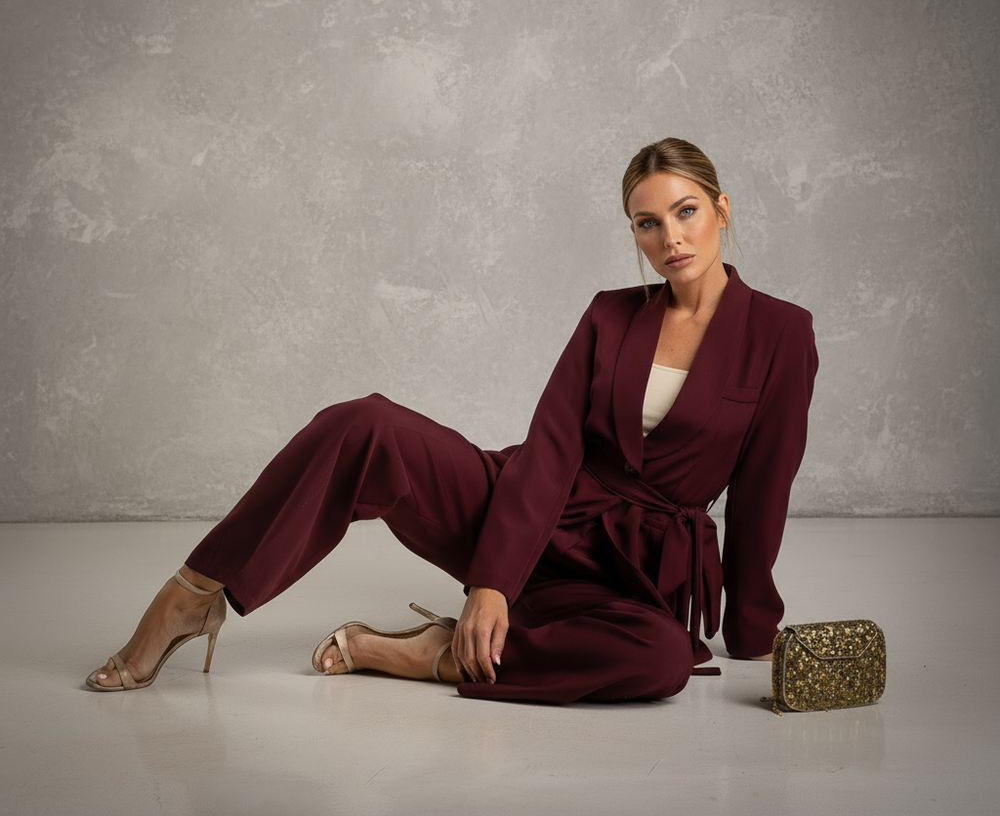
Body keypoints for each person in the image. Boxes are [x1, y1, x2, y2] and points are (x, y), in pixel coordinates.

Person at [86, 137, 818, 703]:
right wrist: (493, 581)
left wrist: (752, 630)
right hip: (524, 516)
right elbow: (552, 449)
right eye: (647, 223)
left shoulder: (781, 335)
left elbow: (763, 491)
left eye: (686, 212)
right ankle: (191, 597)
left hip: (628, 576)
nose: (671, 239)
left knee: (659, 664)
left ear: (722, 207)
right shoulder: (610, 314)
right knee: (365, 423)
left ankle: (426, 653)